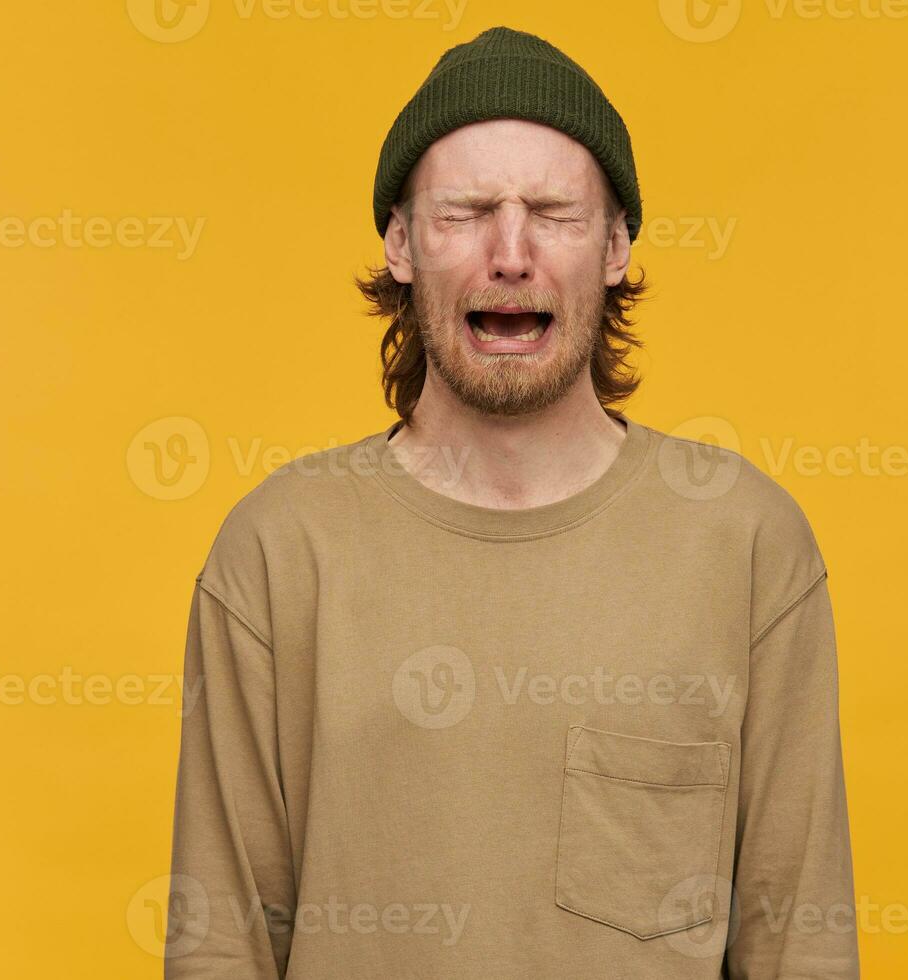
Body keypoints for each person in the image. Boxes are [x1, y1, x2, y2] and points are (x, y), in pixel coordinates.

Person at [164, 25, 858, 979]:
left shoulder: (745, 545)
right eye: (466, 211)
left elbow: (799, 946)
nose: (510, 252)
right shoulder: (279, 554)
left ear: (615, 246)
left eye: (554, 211)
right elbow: (221, 947)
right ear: (402, 244)